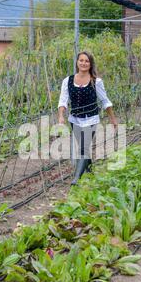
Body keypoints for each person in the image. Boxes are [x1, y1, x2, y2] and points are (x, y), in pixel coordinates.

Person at [57, 51, 118, 185]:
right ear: (77, 62)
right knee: (83, 147)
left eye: (87, 61)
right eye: (81, 60)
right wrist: (61, 116)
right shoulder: (68, 81)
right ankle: (89, 171)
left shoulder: (96, 82)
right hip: (74, 119)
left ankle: (76, 178)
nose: (84, 63)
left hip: (91, 118)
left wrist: (112, 119)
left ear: (90, 64)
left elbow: (105, 101)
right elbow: (63, 101)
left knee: (83, 148)